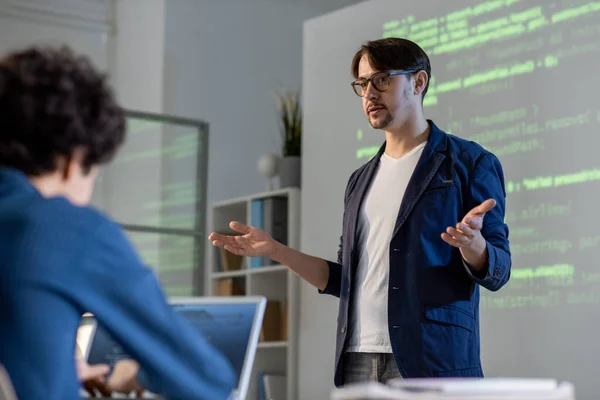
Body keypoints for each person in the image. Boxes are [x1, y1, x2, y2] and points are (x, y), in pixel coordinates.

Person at [209, 37, 511, 387]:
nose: (369, 93)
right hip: (357, 360)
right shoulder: (360, 180)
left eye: (381, 79)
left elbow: (498, 270)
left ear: (418, 82)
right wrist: (275, 250)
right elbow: (345, 281)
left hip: (431, 358)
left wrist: (474, 247)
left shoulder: (470, 163)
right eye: (363, 83)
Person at [0, 45, 236, 399]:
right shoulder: (65, 228)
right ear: (73, 159)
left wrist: (54, 368)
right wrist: (136, 375)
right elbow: (207, 380)